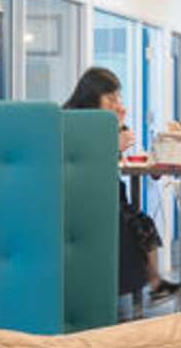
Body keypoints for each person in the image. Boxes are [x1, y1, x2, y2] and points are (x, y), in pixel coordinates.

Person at [65, 67, 174, 303]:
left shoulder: (97, 123)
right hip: (82, 202)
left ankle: (154, 285)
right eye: (111, 98)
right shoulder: (73, 122)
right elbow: (83, 165)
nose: (117, 104)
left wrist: (115, 130)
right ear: (93, 97)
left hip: (104, 196)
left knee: (140, 221)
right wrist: (114, 143)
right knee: (132, 223)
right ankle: (150, 285)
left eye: (118, 98)